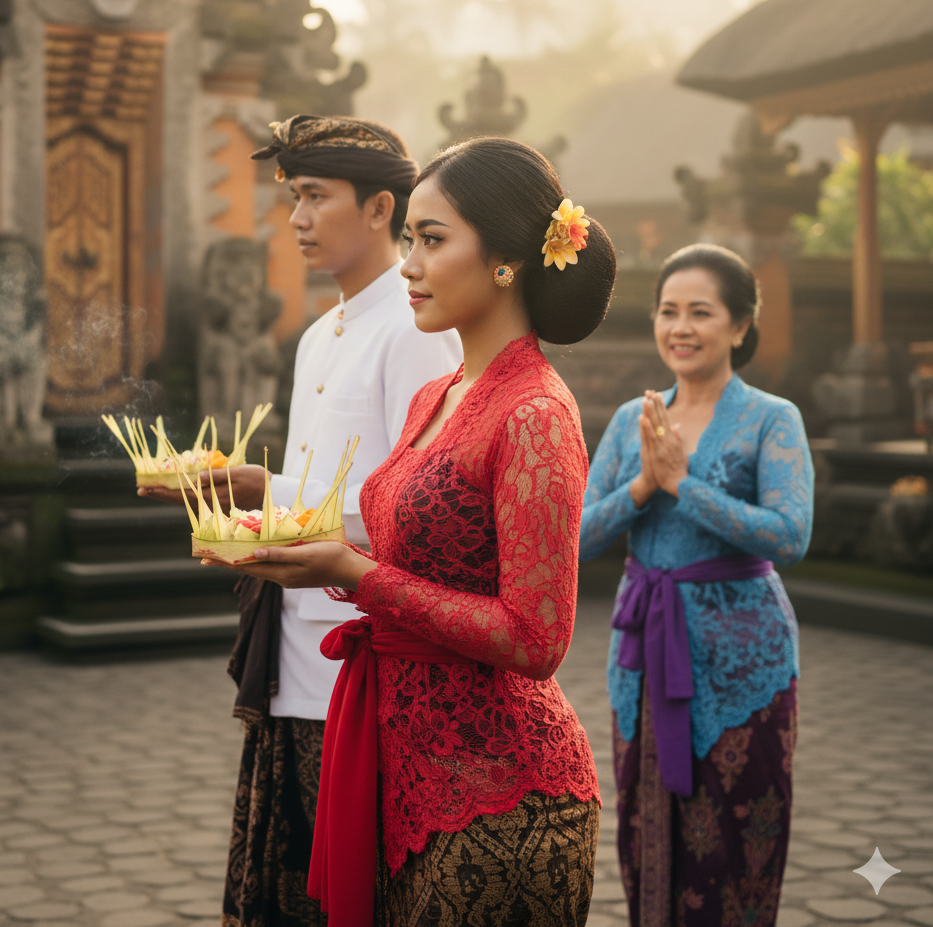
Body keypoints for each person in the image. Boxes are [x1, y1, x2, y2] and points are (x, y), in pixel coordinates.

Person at [233, 137, 617, 927]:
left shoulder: (535, 414)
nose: (408, 262)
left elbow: (537, 636)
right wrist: (296, 545)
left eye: (433, 240)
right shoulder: (438, 395)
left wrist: (355, 573)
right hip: (396, 765)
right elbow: (418, 558)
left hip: (500, 801)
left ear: (507, 260)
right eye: (410, 237)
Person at [146, 115, 462, 927]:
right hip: (290, 640)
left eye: (316, 196)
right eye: (292, 197)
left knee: (353, 887)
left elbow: (419, 507)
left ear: (381, 209)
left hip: (364, 653)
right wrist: (253, 488)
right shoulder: (319, 334)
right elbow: (321, 488)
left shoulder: (420, 329)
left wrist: (279, 508)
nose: (295, 219)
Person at [579, 243, 813, 926]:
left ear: (740, 325)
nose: (680, 327)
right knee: (646, 825)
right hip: (645, 651)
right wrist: (644, 486)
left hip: (745, 658)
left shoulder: (773, 418)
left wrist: (685, 485)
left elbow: (790, 536)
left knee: (738, 830)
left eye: (700, 312)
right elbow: (583, 537)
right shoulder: (633, 420)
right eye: (668, 311)